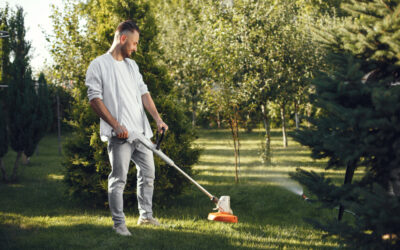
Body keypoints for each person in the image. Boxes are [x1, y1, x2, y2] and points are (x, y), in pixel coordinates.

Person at [85, 20, 168, 236]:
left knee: (148, 174)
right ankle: (119, 223)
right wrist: (115, 125)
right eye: (133, 43)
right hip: (119, 135)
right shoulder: (99, 65)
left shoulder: (132, 66)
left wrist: (157, 119)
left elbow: (144, 93)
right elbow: (94, 99)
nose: (135, 48)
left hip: (140, 134)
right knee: (118, 179)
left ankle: (146, 216)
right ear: (122, 39)